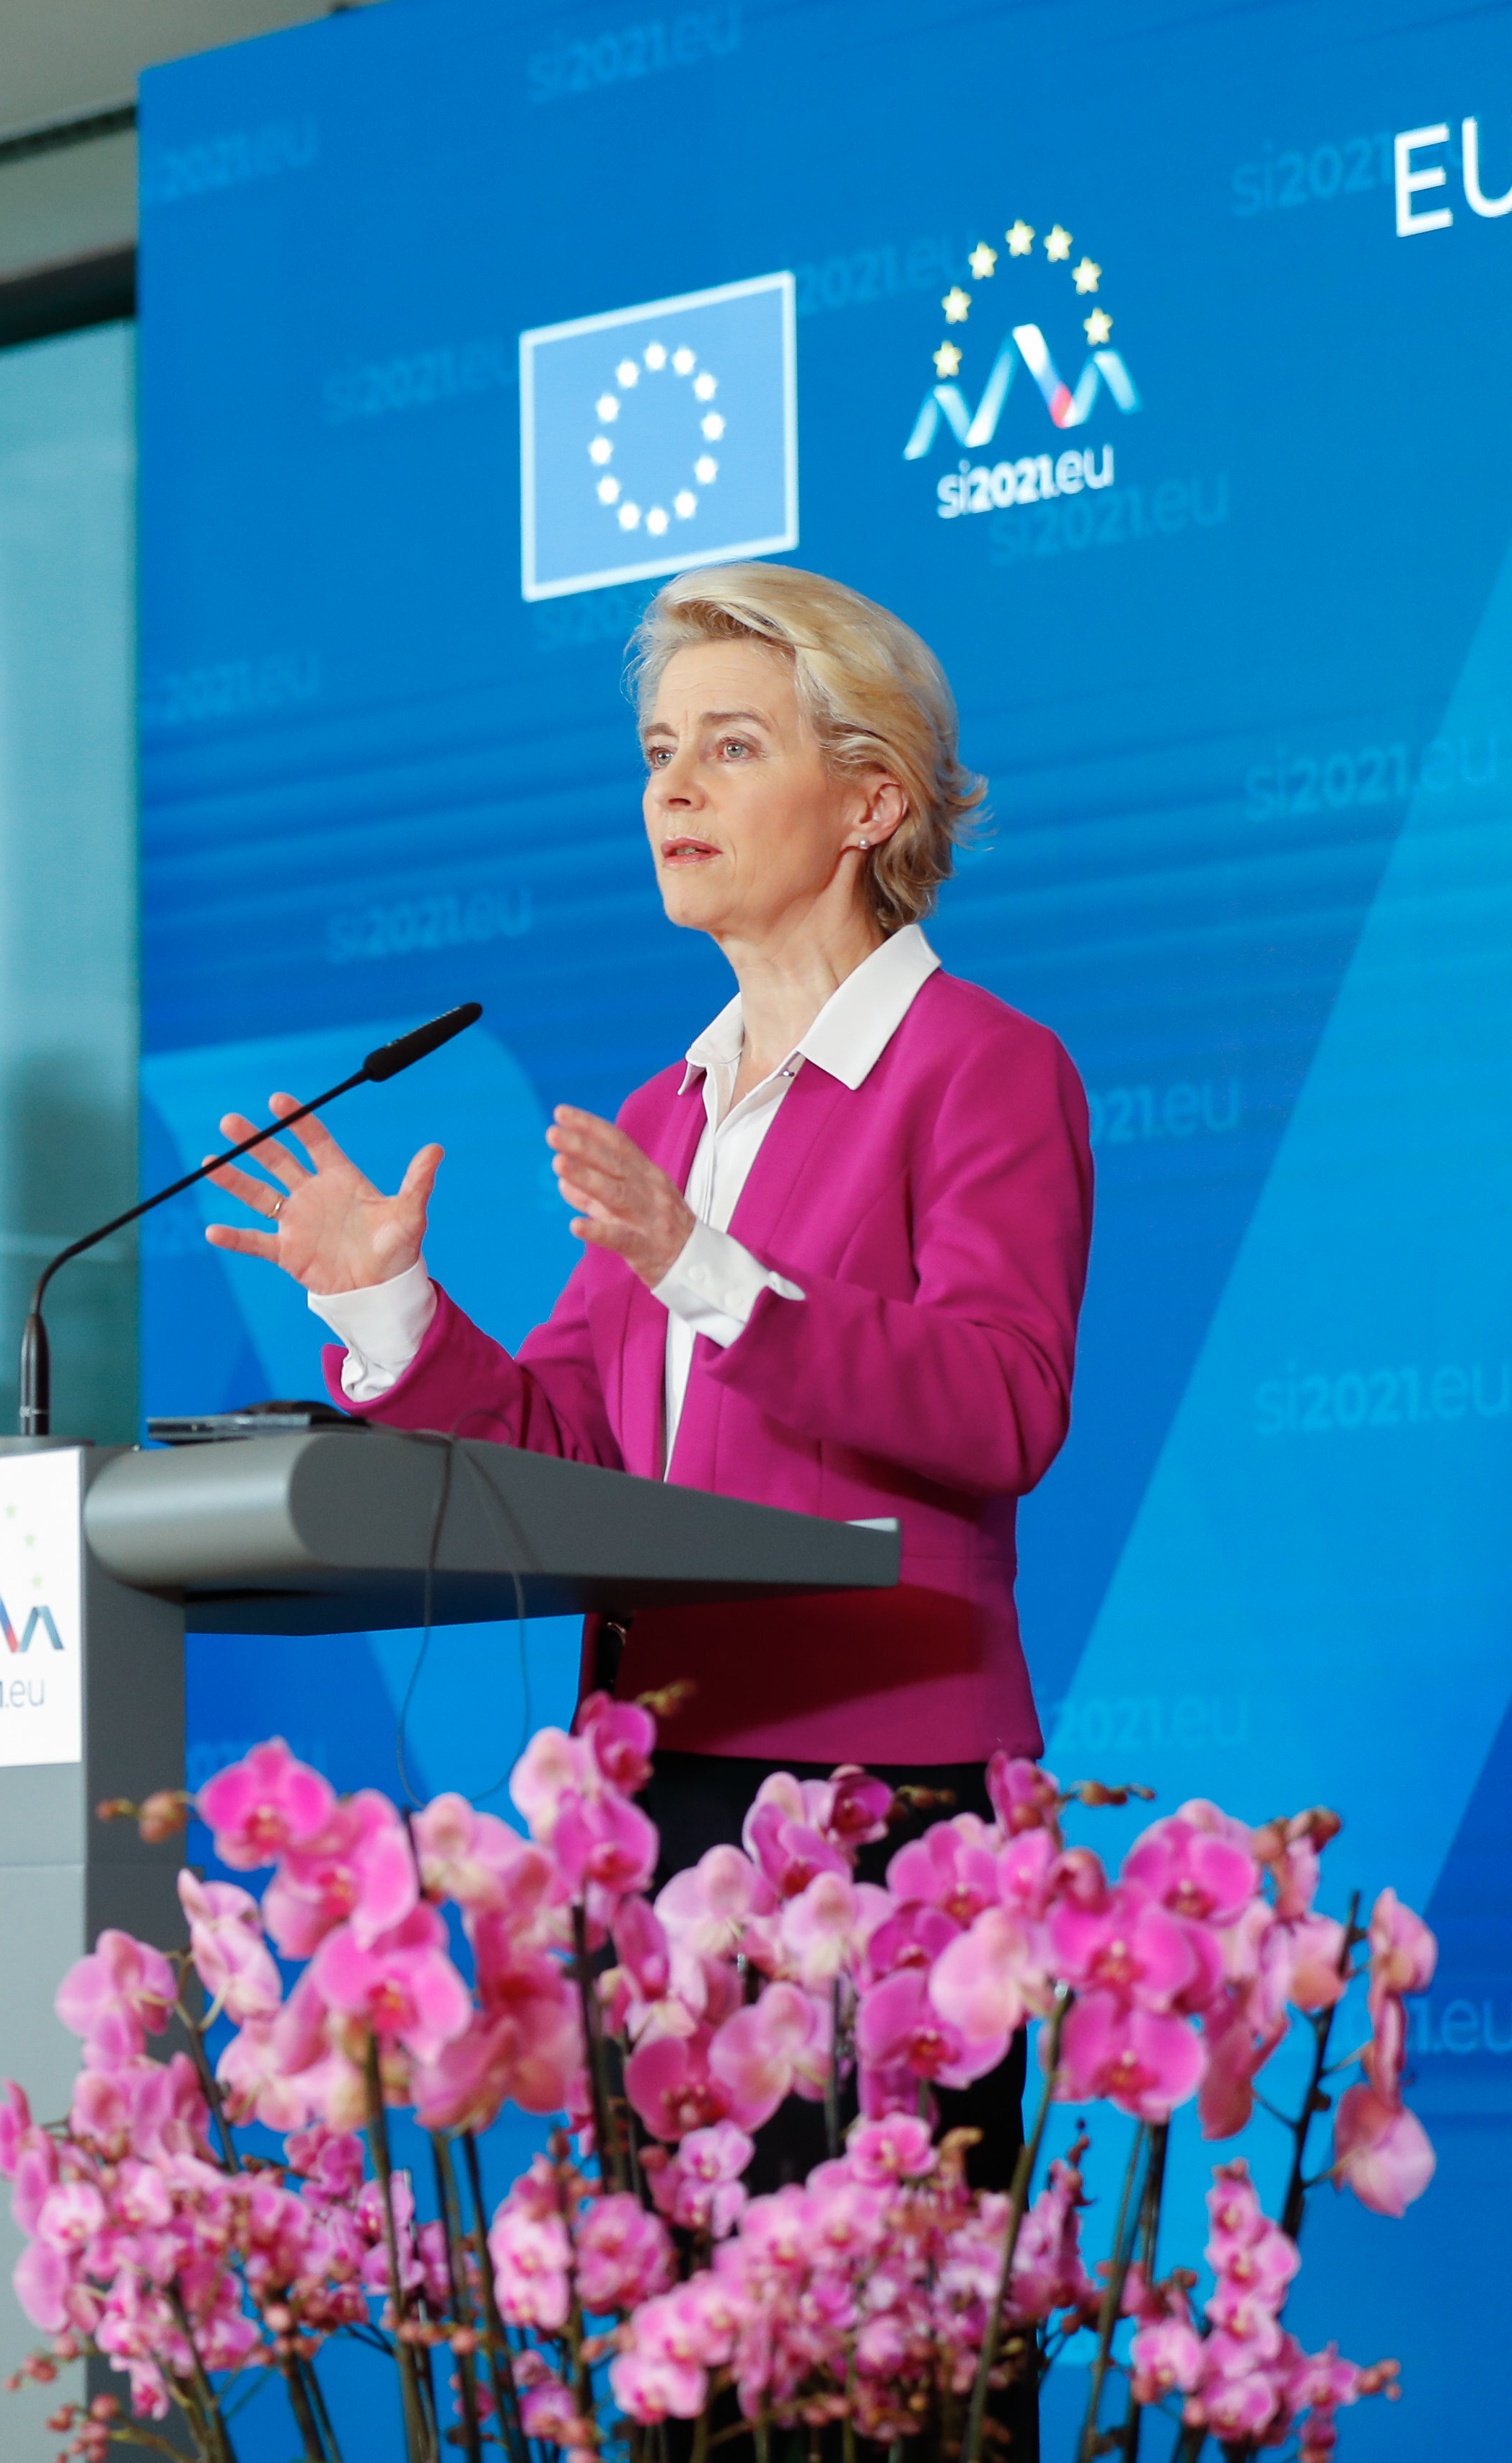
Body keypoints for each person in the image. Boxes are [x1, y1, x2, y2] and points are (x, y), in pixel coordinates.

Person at [203, 563, 1088, 2400]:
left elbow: (1002, 1405)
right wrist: (391, 1314)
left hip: (883, 1814)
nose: (672, 789)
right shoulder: (672, 1111)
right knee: (699, 2367)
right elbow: (578, 1455)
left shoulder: (983, 1071)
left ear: (871, 801)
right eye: (658, 752)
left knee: (889, 2386)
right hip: (661, 1810)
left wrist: (712, 1272)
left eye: (730, 747)